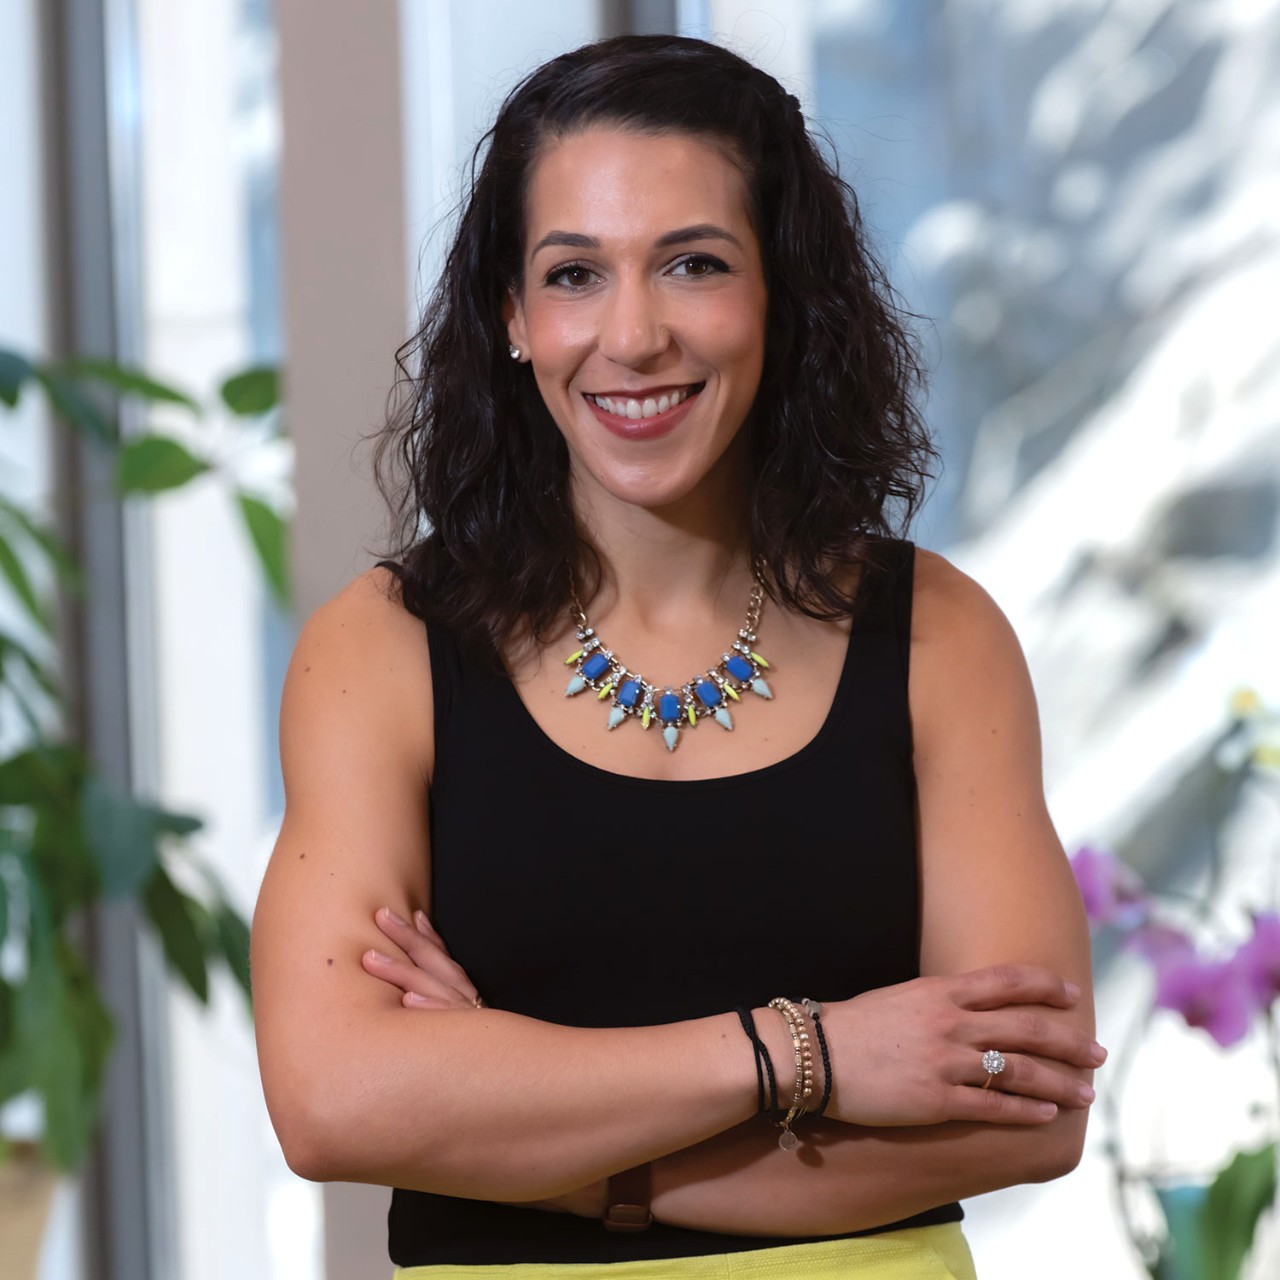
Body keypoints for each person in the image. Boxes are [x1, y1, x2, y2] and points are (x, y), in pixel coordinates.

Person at [251, 33, 1102, 1280]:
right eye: (574, 274)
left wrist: (560, 1149)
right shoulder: (378, 648)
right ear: (512, 316)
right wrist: (802, 1054)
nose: (633, 335)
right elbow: (333, 1101)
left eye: (692, 264)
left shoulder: (939, 637)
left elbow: (1026, 1107)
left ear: (782, 297)